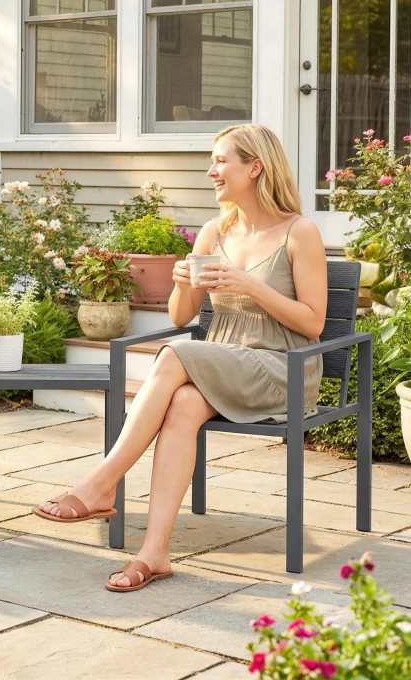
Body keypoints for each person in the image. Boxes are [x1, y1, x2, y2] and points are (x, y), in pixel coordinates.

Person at [33, 124, 327, 592]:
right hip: (225, 359)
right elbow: (181, 315)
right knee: (184, 405)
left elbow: (313, 323)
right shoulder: (214, 231)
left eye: (220, 161)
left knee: (173, 355)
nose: (211, 171)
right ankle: (155, 553)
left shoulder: (299, 232)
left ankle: (101, 482)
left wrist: (249, 284)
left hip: (281, 367)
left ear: (255, 167)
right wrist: (183, 283)